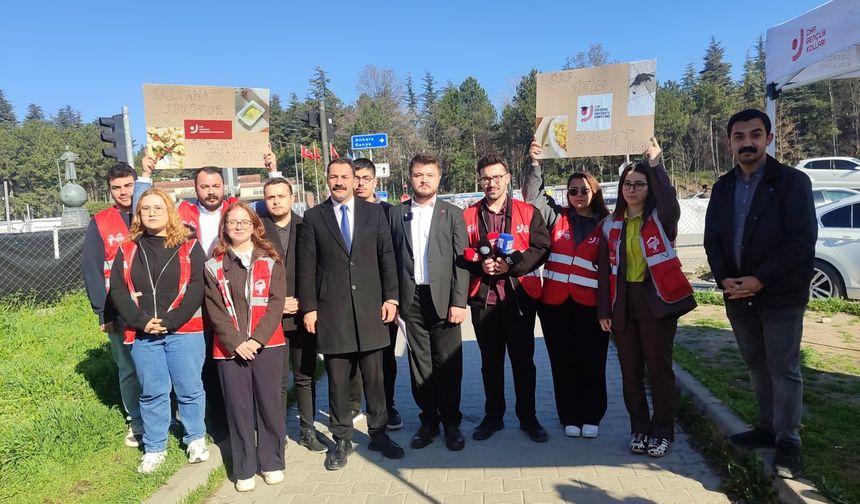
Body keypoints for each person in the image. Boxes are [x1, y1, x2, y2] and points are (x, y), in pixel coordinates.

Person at [704, 109, 816, 479]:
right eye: (739, 136)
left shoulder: (792, 183)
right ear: (729, 143)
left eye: (755, 134)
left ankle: (788, 440)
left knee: (784, 368)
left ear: (768, 138)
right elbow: (713, 241)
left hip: (779, 294)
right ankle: (766, 427)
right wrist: (725, 280)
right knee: (756, 364)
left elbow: (801, 242)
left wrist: (760, 279)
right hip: (737, 294)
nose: (747, 142)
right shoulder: (722, 187)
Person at [297, 158, 404, 471]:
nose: (340, 182)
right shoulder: (314, 217)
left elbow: (387, 256)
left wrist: (392, 298)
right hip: (333, 311)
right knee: (338, 380)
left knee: (376, 378)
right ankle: (341, 438)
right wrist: (310, 307)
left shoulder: (375, 213)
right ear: (327, 179)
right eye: (334, 176)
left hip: (372, 308)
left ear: (354, 179)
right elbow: (306, 266)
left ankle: (379, 433)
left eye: (345, 176)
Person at [597, 138, 696, 458]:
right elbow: (603, 273)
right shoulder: (611, 225)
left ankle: (663, 430)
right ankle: (639, 429)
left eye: (639, 184)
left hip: (657, 302)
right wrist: (604, 310)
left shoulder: (661, 219)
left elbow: (670, 203)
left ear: (649, 188)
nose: (632, 188)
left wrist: (655, 164)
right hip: (623, 304)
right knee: (630, 372)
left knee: (659, 370)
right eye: (627, 183)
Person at [109, 188, 208, 474]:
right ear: (138, 214)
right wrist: (140, 321)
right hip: (144, 334)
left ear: (169, 212)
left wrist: (173, 320)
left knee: (189, 388)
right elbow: (117, 290)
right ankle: (154, 447)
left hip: (184, 330)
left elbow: (197, 287)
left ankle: (195, 439)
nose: (152, 213)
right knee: (152, 392)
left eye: (158, 208)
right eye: (146, 209)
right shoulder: (127, 249)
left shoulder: (189, 245)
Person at [523, 140, 611, 439]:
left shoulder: (608, 223)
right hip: (555, 305)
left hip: (591, 307)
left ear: (594, 192)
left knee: (592, 362)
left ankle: (592, 414)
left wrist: (606, 309)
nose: (577, 196)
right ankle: (569, 415)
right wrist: (535, 164)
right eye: (572, 191)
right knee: (563, 362)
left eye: (584, 190)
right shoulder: (555, 216)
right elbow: (533, 196)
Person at [462, 154, 550, 443]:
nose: (491, 183)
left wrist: (513, 265)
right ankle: (493, 417)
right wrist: (480, 265)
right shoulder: (468, 216)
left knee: (524, 361)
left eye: (497, 177)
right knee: (490, 362)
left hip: (519, 297)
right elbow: (460, 253)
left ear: (508, 177)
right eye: (486, 178)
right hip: (483, 299)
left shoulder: (527, 212)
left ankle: (528, 417)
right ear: (480, 180)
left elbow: (541, 248)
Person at [204, 201, 287, 492]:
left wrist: (256, 340)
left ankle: (272, 461)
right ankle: (244, 468)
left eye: (244, 222)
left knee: (269, 405)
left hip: (268, 344)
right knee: (238, 409)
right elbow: (214, 309)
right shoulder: (213, 265)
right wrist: (237, 342)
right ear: (224, 228)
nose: (238, 227)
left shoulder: (271, 259)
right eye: (232, 222)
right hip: (229, 350)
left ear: (254, 226)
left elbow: (276, 303)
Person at [388, 154, 469, 451]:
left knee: (448, 364)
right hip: (411, 301)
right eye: (418, 174)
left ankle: (451, 423)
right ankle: (428, 421)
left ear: (439, 178)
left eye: (430, 175)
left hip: (445, 300)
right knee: (419, 365)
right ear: (409, 177)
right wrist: (393, 299)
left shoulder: (452, 214)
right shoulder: (396, 214)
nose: (424, 179)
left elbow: (461, 262)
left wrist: (459, 301)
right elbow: (390, 259)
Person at [260, 177, 327, 453]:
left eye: (281, 196)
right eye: (271, 197)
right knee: (275, 379)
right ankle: (275, 434)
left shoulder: (306, 225)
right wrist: (275, 302)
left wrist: (303, 301)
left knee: (304, 375)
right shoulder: (258, 230)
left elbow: (318, 269)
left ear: (291, 197)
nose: (276, 201)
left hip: (302, 314)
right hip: (270, 316)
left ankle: (307, 429)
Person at [82, 162, 144, 448]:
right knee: (128, 367)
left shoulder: (150, 212)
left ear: (136, 184)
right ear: (110, 190)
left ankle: (165, 415)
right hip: (117, 309)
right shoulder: (101, 222)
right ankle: (136, 422)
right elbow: (92, 270)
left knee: (157, 363)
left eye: (128, 185)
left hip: (153, 306)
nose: (123, 192)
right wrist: (101, 312)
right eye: (116, 188)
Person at [354, 157, 402, 430]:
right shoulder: (341, 212)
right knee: (353, 354)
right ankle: (353, 404)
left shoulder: (389, 212)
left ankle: (387, 405)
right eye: (356, 178)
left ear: (375, 181)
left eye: (365, 178)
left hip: (384, 298)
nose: (360, 184)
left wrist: (394, 297)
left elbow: (396, 256)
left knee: (385, 356)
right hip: (351, 297)